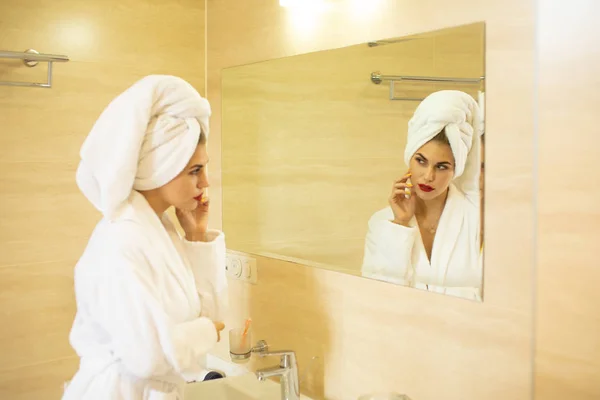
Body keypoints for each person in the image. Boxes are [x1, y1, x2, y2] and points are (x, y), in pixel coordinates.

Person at [62, 75, 228, 399]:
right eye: (195, 170)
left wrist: (196, 236)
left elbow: (209, 315)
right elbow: (147, 356)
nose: (205, 182)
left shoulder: (160, 231)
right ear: (159, 167)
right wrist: (208, 332)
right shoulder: (121, 241)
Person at [362, 90, 483, 300]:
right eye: (421, 161)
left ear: (457, 170)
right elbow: (378, 298)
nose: (428, 176)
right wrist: (400, 223)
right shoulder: (382, 223)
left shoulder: (475, 220)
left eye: (442, 167)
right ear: (409, 157)